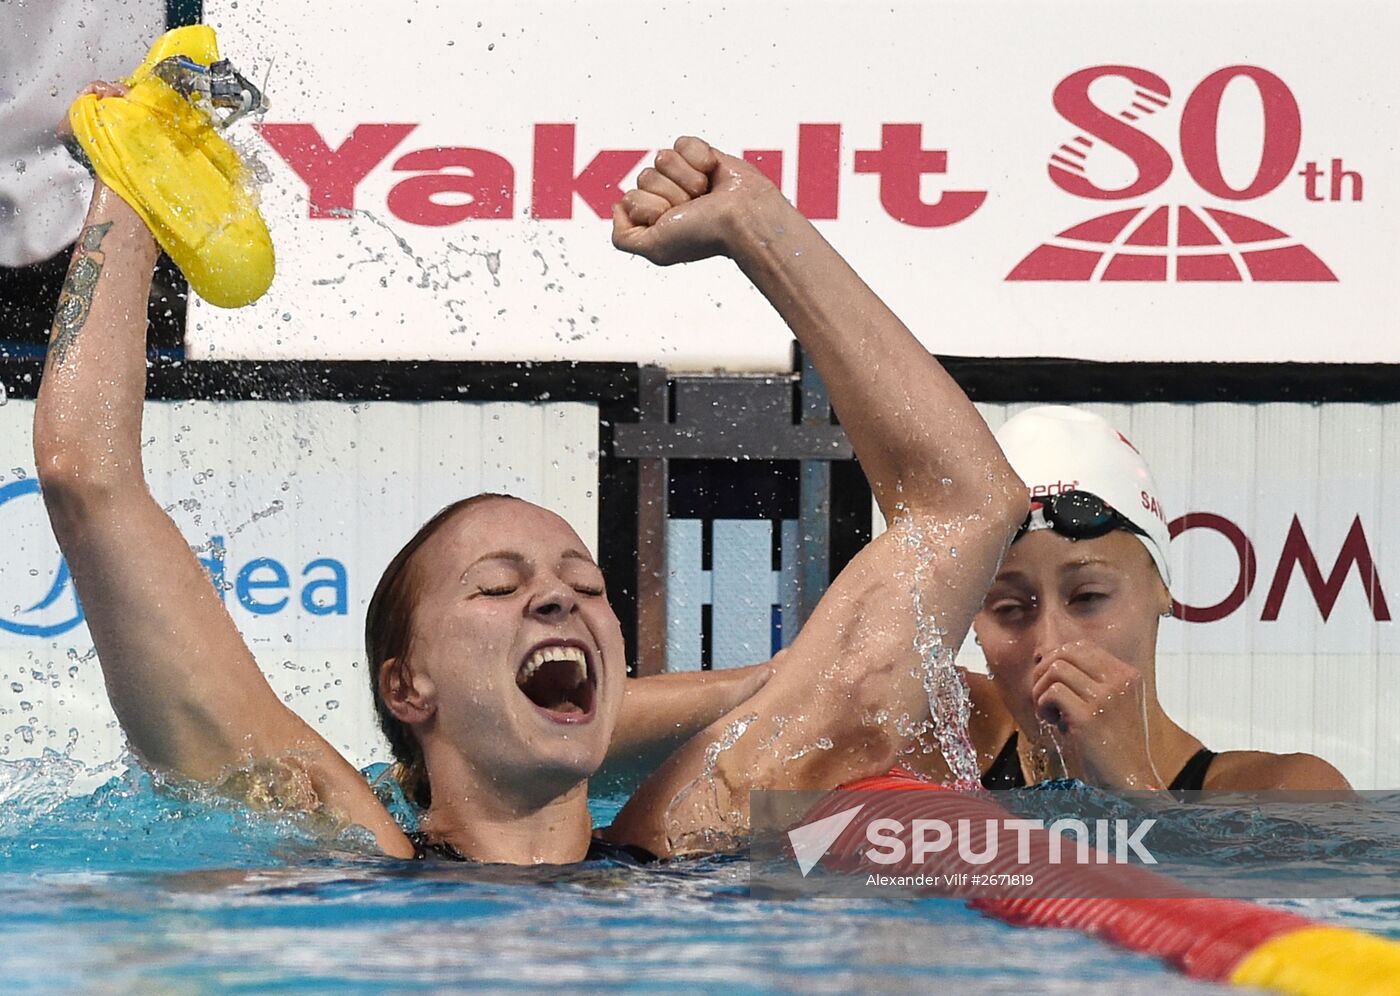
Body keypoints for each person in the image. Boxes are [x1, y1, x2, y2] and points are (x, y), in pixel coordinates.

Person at [34, 80, 1026, 863]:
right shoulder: (325, 834)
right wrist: (136, 177)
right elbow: (87, 477)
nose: (559, 598)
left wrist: (762, 231)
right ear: (407, 687)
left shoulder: (696, 834)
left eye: (586, 586)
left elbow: (966, 505)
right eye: (499, 586)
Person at [909, 405, 1350, 792]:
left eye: (1087, 598)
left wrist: (1132, 788)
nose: (1051, 645)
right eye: (1009, 609)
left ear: (1163, 588)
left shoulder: (1281, 792)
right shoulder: (945, 739)